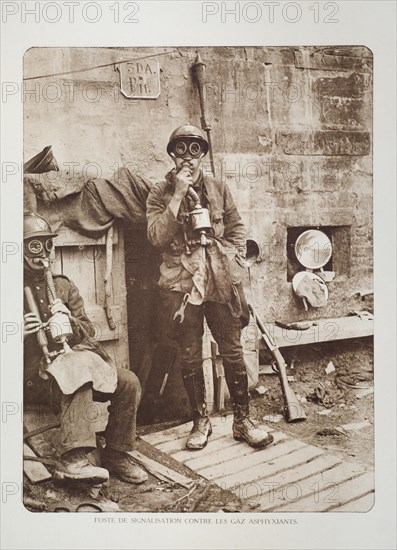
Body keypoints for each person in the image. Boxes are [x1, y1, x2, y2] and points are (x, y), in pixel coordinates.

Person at [146, 124, 274, 450]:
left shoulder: (218, 189)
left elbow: (237, 229)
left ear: (202, 154)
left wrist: (231, 261)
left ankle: (243, 421)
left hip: (218, 279)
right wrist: (177, 194)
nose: (188, 157)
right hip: (181, 284)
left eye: (195, 149)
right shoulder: (159, 193)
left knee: (232, 350)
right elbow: (156, 237)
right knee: (190, 354)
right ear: (172, 154)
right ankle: (200, 422)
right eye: (180, 149)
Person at [23, 211, 147, 484]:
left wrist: (69, 322)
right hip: (33, 377)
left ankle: (116, 454)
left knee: (128, 382)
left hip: (71, 364)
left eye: (46, 244)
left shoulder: (62, 286)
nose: (41, 252)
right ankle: (73, 460)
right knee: (76, 371)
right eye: (33, 245)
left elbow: (88, 329)